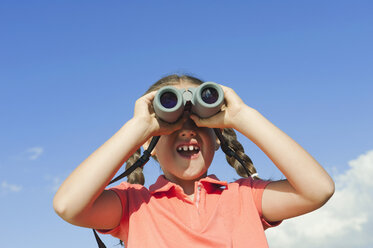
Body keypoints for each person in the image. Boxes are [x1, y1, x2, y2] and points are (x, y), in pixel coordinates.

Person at [53, 74, 335, 247]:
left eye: (200, 122)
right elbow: (68, 205)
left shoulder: (245, 198)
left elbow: (317, 190)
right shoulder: (133, 206)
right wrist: (138, 127)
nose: (187, 130)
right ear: (149, 143)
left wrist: (242, 116)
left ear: (217, 138)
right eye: (171, 125)